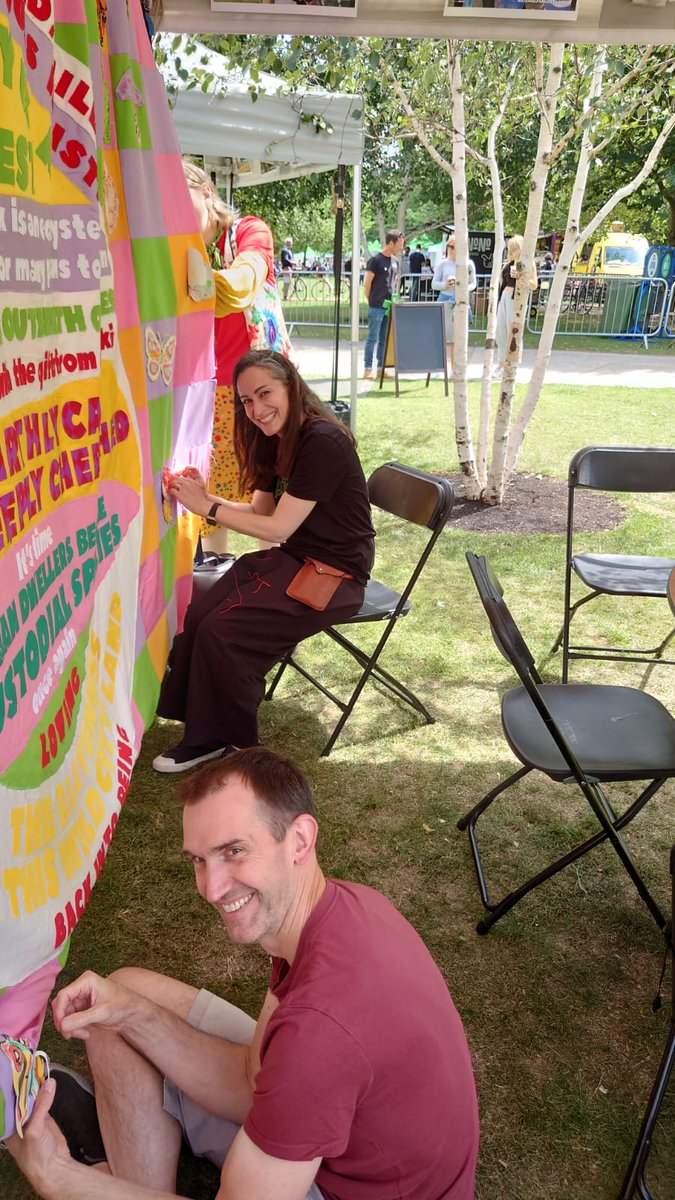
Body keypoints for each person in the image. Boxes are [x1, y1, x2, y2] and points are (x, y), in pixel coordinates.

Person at [8, 747, 480, 1200]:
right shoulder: (333, 910)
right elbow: (251, 1080)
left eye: (233, 850)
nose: (212, 888)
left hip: (344, 1187)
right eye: (199, 859)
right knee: (122, 996)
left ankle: (104, 1173)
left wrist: (57, 1178)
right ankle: (129, 1178)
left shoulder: (319, 1033)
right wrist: (132, 1014)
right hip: (352, 1139)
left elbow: (301, 1057)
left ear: (299, 840)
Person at [153, 350, 375, 773]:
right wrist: (202, 498)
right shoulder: (276, 439)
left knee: (226, 630)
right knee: (200, 612)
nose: (256, 410)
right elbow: (263, 515)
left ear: (290, 385)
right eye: (246, 401)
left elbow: (278, 529)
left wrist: (208, 508)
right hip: (295, 559)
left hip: (335, 574)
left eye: (264, 393)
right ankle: (200, 726)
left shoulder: (322, 440)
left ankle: (232, 743)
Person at [183, 162, 292, 558]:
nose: (176, 214)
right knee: (212, 497)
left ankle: (279, 589)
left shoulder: (250, 231)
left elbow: (242, 287)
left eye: (183, 199)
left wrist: (189, 279)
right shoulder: (181, 249)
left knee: (275, 491)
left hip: (265, 388)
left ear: (207, 193)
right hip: (213, 392)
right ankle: (218, 583)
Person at [431, 235, 477, 370]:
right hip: (445, 299)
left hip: (460, 301)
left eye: (453, 246)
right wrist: (445, 284)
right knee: (441, 335)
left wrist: (463, 289)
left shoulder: (468, 264)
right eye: (449, 246)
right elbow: (434, 284)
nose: (450, 249)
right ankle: (439, 367)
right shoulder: (442, 264)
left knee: (457, 337)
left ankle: (454, 368)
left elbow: (473, 283)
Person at [363, 229, 404, 380]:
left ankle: (381, 368)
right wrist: (371, 300)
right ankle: (368, 368)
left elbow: (394, 282)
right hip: (376, 305)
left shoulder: (395, 262)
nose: (401, 247)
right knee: (372, 338)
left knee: (384, 339)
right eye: (399, 244)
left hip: (388, 306)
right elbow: (367, 283)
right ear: (391, 243)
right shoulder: (376, 260)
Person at [495, 234, 538, 375]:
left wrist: (521, 276)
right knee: (500, 332)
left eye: (514, 248)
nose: (512, 252)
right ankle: (501, 363)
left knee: (512, 332)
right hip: (504, 298)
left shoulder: (527, 263)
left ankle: (512, 365)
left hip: (516, 299)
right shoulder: (508, 264)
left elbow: (534, 284)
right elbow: (502, 282)